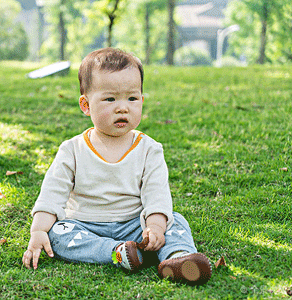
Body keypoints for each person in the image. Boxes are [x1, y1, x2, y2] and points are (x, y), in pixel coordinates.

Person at [22, 47, 212, 285]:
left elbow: (157, 193)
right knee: (58, 234)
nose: (123, 107)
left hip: (135, 224)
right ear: (86, 105)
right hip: (84, 225)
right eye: (110, 99)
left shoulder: (149, 149)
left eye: (132, 98)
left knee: (175, 220)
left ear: (141, 101)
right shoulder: (72, 150)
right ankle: (118, 252)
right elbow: (52, 193)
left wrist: (154, 226)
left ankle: (177, 258)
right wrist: (38, 230)